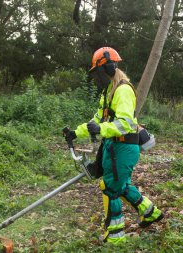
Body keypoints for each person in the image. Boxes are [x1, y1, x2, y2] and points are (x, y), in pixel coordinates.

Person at [64, 47, 163, 244]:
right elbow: (96, 121)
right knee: (122, 186)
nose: (97, 77)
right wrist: (76, 132)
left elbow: (125, 123)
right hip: (113, 147)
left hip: (124, 148)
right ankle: (150, 213)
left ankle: (116, 238)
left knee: (110, 187)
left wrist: (101, 129)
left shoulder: (123, 90)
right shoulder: (109, 91)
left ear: (108, 67)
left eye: (98, 72)